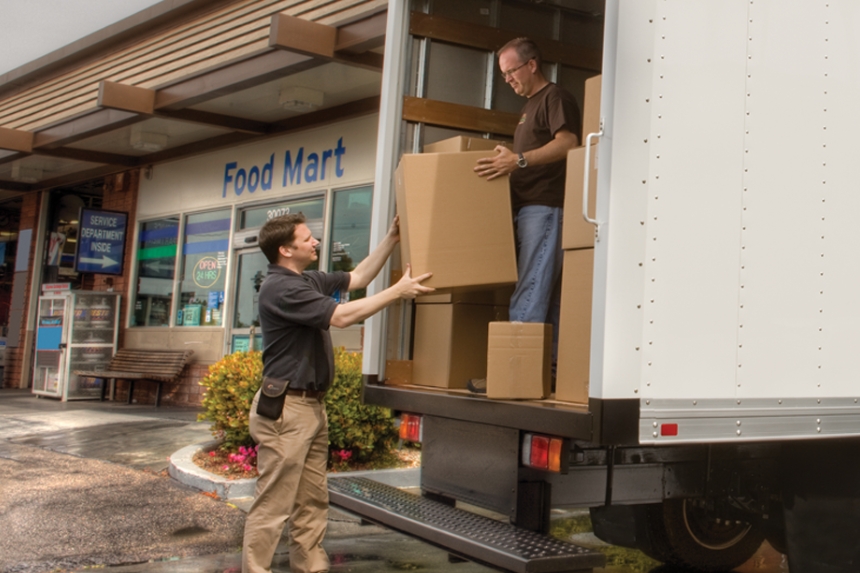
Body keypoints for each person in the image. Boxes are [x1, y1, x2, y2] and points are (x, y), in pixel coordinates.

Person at [242, 213, 433, 573]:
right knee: (274, 505)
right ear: (285, 250)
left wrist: (391, 239)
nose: (315, 242)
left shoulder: (308, 280)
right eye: (307, 239)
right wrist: (398, 291)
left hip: (311, 406)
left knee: (312, 500)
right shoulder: (281, 288)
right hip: (288, 408)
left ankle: (311, 567)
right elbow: (342, 317)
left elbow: (358, 278)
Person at [473, 37, 581, 387]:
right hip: (530, 209)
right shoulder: (529, 107)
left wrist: (518, 159)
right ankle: (539, 374)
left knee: (530, 288)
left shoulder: (555, 97)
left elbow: (568, 143)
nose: (508, 80)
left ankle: (512, 373)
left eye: (510, 72)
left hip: (545, 207)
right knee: (542, 293)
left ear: (531, 64)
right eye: (503, 76)